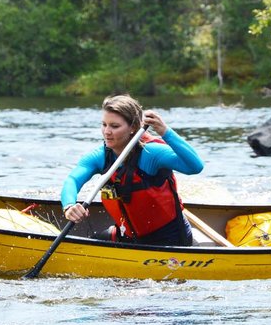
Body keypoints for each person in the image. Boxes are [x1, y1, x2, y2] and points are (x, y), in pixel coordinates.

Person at [61, 95, 203, 246]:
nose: (106, 132)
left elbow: (195, 166)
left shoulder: (151, 154)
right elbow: (72, 180)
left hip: (169, 238)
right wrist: (69, 206)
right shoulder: (100, 156)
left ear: (133, 128)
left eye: (114, 126)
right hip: (127, 236)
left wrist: (165, 132)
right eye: (104, 124)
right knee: (87, 246)